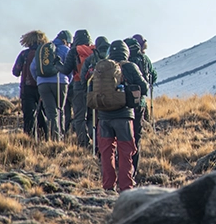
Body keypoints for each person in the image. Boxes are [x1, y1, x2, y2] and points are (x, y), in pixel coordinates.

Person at [97, 40, 148, 192]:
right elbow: (144, 87)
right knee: (126, 152)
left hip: (104, 116)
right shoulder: (130, 66)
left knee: (107, 153)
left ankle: (108, 186)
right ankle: (126, 186)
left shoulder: (102, 67)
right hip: (124, 116)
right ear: (126, 53)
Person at [29, 31, 72, 141]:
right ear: (65, 41)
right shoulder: (65, 50)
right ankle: (60, 139)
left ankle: (53, 138)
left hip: (43, 84)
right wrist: (68, 80)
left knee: (51, 112)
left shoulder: (43, 50)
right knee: (60, 110)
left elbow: (33, 67)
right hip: (60, 82)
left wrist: (39, 80)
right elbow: (69, 68)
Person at [57, 29, 95, 149]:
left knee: (79, 116)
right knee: (91, 115)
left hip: (79, 85)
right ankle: (95, 140)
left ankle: (83, 142)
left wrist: (57, 64)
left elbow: (66, 70)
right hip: (93, 86)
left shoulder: (74, 51)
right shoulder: (94, 50)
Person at [12, 30, 48, 137]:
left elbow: (15, 72)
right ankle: (45, 138)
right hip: (43, 87)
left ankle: (29, 139)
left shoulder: (24, 54)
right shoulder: (45, 54)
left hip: (27, 88)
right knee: (43, 115)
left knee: (29, 117)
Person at [124, 37, 151, 176]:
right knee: (136, 135)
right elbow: (152, 76)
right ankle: (133, 168)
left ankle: (122, 167)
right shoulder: (144, 59)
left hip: (123, 104)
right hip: (140, 103)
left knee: (123, 136)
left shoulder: (120, 61)